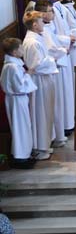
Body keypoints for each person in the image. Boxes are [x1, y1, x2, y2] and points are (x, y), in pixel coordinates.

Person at [34, 0, 71, 146]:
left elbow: (54, 41)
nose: (53, 14)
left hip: (53, 69)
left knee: (56, 103)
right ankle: (55, 137)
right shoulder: (41, 32)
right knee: (54, 104)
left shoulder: (47, 27)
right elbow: (51, 50)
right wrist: (64, 50)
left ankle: (58, 134)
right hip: (50, 71)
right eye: (50, 11)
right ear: (42, 14)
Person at [22, 11, 57, 161]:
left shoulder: (37, 38)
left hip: (44, 79)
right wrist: (53, 59)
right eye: (42, 21)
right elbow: (37, 65)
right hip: (39, 81)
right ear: (35, 25)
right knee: (40, 114)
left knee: (46, 112)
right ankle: (40, 147)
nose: (44, 23)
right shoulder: (32, 42)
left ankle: (45, 144)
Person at [0, 38, 37, 169]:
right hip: (16, 99)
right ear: (15, 52)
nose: (23, 50)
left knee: (23, 126)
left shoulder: (13, 65)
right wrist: (28, 74)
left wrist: (26, 74)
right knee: (19, 128)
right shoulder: (12, 67)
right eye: (21, 48)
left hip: (18, 99)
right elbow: (19, 87)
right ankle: (20, 157)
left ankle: (24, 154)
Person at [49, 0, 76, 136]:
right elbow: (51, 35)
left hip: (65, 51)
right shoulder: (49, 7)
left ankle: (69, 121)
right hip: (58, 55)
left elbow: (64, 28)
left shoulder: (59, 6)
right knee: (62, 94)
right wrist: (67, 40)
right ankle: (64, 127)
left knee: (67, 90)